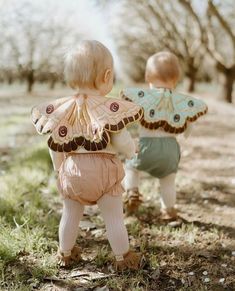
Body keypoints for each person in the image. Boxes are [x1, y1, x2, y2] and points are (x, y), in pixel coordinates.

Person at [31, 40, 143, 270]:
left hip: (72, 171)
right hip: (104, 172)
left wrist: (59, 169)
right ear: (107, 76)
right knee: (113, 217)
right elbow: (121, 139)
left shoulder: (62, 109)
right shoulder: (107, 109)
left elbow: (55, 145)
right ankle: (123, 258)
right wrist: (132, 151)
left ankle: (65, 253)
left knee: (70, 214)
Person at [121, 51, 208, 220]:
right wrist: (187, 133)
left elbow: (129, 117)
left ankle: (132, 191)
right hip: (170, 150)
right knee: (168, 181)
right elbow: (189, 125)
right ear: (177, 78)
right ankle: (168, 211)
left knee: (131, 166)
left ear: (147, 76)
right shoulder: (180, 100)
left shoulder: (143, 98)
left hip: (146, 146)